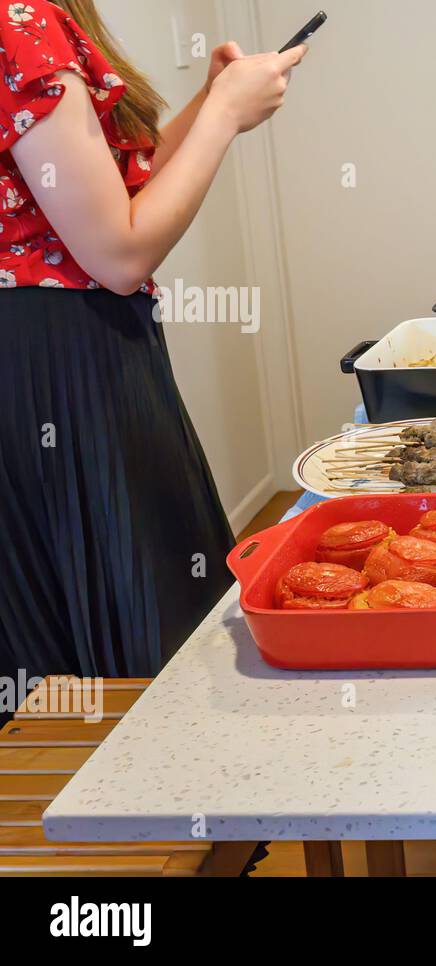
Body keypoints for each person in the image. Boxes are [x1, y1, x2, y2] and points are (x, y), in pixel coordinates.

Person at [0, 0, 306, 683]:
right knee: (143, 609)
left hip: (43, 350)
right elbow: (119, 253)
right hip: (62, 359)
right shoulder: (19, 22)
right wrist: (224, 117)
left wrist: (207, 102)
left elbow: (101, 194)